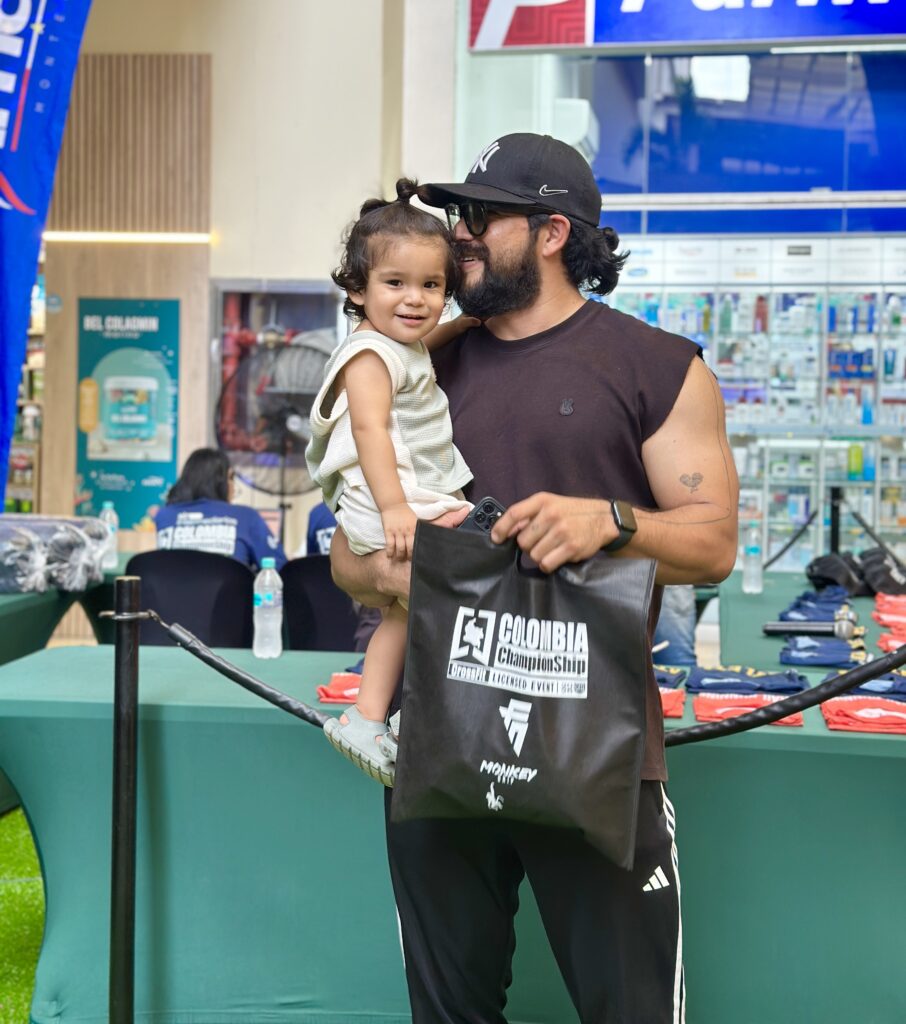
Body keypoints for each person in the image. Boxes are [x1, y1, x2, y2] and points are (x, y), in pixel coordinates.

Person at [331, 133, 739, 1023]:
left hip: (597, 748)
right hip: (439, 744)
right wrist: (385, 567)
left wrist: (610, 522)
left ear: (552, 233)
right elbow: (348, 559)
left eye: (481, 216)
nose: (458, 234)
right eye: (456, 214)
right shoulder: (417, 364)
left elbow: (714, 543)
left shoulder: (660, 366)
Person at [306, 178, 475, 785]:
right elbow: (370, 432)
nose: (415, 299)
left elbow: (423, 344)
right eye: (395, 283)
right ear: (357, 288)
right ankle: (417, 715)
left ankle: (370, 715)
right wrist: (396, 508)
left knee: (405, 615)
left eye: (431, 285)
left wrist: (463, 324)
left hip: (400, 495)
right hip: (392, 498)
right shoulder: (369, 357)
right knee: (468, 585)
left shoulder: (396, 344)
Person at [154, 447, 286, 571]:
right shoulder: (246, 517)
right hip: (231, 589)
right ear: (222, 481)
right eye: (231, 478)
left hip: (173, 589)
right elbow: (279, 568)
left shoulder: (164, 516)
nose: (233, 487)